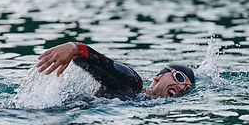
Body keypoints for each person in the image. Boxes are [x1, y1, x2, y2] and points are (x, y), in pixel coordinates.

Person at [36, 42, 195, 101]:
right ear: (158, 77)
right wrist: (76, 49)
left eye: (186, 88)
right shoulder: (132, 83)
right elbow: (105, 65)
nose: (181, 87)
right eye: (179, 78)